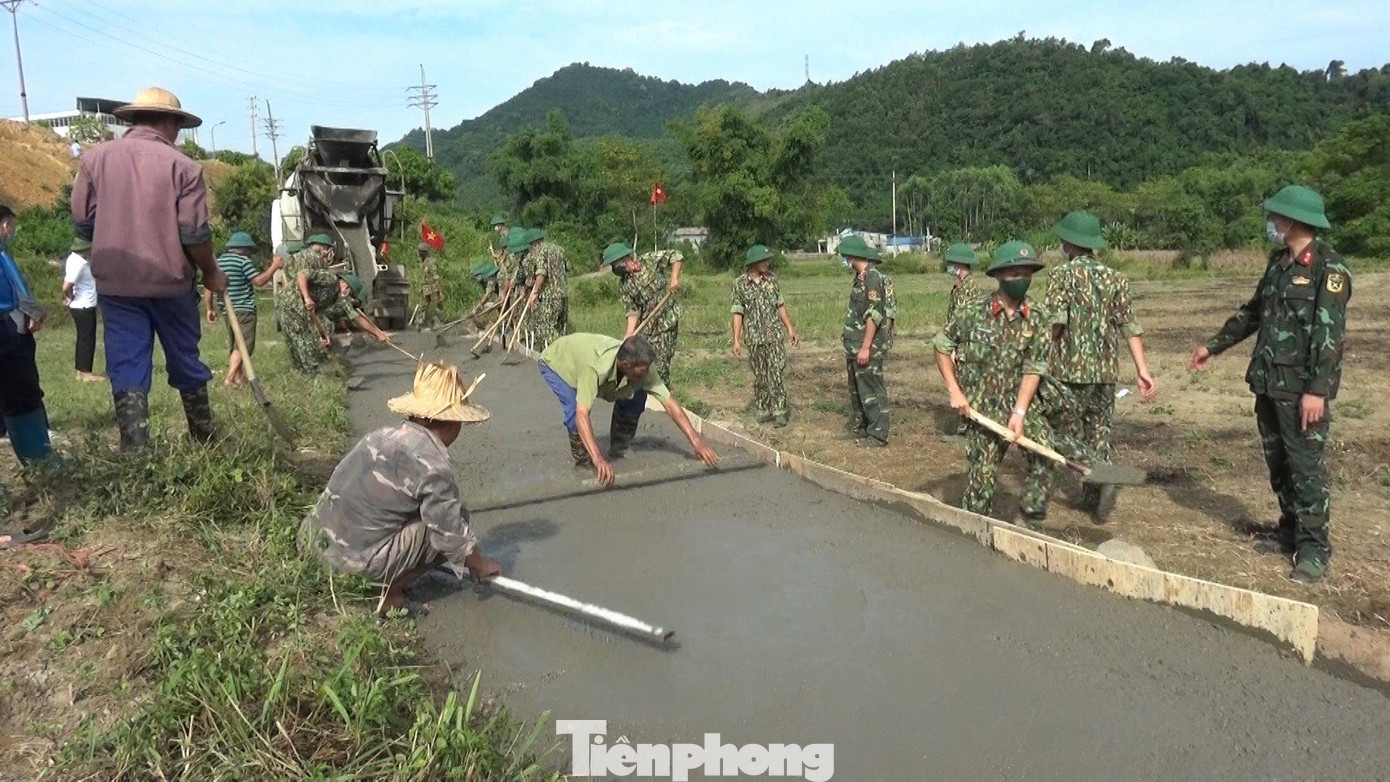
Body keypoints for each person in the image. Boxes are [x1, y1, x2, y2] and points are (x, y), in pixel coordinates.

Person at [1189, 185, 1351, 585]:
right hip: (1268, 384)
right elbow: (1253, 313)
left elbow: (1328, 339)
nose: (1271, 223)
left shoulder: (1328, 270)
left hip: (1301, 391)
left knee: (1305, 469)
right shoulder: (1278, 264)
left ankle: (1314, 549)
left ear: (1294, 220)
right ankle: (1289, 531)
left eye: (1276, 217)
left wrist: (1317, 391)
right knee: (1279, 465)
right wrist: (1214, 347)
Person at [70, 87, 227, 452]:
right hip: (171, 284)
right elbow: (194, 234)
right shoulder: (184, 166)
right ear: (171, 122)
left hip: (117, 287)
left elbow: (82, 222)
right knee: (185, 358)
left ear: (135, 119)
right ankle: (204, 440)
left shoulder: (95, 160)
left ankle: (135, 449)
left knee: (126, 363)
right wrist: (211, 272)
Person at [301, 362, 501, 615]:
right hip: (350, 566)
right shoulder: (433, 466)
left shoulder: (379, 436)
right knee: (455, 518)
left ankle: (377, 574)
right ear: (454, 423)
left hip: (313, 544)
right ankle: (388, 595)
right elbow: (450, 535)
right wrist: (479, 565)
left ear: (416, 414)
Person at [933, 240, 1055, 526]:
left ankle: (1028, 520)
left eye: (1026, 274)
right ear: (999, 275)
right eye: (1014, 274)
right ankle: (971, 534)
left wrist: (1020, 413)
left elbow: (1034, 368)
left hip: (1022, 407)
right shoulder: (974, 312)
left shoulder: (1038, 318)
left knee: (1046, 456)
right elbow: (941, 346)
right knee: (981, 484)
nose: (1020, 280)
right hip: (982, 411)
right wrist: (954, 390)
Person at [1044, 210, 1157, 514]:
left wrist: (1039, 359)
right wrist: (1142, 370)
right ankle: (1095, 499)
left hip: (1069, 371)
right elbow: (1129, 325)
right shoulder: (1116, 278)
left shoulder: (1060, 276)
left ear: (1068, 243)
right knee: (1098, 433)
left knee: (1059, 434)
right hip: (1106, 374)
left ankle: (1096, 474)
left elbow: (1055, 325)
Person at [538, 333, 719, 485]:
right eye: (642, 371)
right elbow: (582, 414)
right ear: (626, 365)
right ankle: (583, 460)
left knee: (639, 393)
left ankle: (620, 447)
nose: (647, 374)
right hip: (558, 364)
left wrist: (696, 441)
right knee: (573, 410)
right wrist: (598, 458)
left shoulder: (641, 365)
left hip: (590, 362)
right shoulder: (594, 368)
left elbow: (669, 403)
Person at [279, 236, 390, 373]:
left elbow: (355, 318)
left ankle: (305, 377)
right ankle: (308, 379)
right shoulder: (330, 279)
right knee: (303, 350)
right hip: (292, 306)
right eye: (349, 291)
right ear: (344, 284)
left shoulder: (335, 296)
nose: (347, 294)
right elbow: (302, 273)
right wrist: (307, 298)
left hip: (297, 310)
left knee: (305, 352)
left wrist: (324, 335)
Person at [0, 205, 52, 465]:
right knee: (21, 396)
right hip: (7, 332)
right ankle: (39, 461)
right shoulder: (2, 256)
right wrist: (36, 313)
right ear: (5, 226)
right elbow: (19, 293)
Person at [731, 244, 799, 427]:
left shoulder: (772, 281)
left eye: (768, 260)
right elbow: (738, 313)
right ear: (753, 263)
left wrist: (790, 328)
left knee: (775, 373)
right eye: (763, 260)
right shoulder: (739, 285)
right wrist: (736, 340)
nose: (767, 263)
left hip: (774, 336)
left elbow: (780, 306)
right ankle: (764, 409)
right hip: (754, 338)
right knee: (760, 376)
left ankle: (779, 411)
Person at [203, 231, 281, 387]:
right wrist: (274, 267)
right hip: (244, 309)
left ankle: (239, 377)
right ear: (245, 249)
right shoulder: (243, 262)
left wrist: (209, 309)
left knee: (235, 345)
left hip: (227, 310)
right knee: (244, 345)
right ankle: (230, 377)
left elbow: (208, 288)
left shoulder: (218, 263)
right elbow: (258, 281)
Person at [839, 235, 895, 447]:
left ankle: (878, 434)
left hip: (866, 347)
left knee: (872, 390)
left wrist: (865, 346)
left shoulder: (873, 278)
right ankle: (863, 427)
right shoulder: (860, 278)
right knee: (858, 390)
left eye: (844, 256)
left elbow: (874, 315)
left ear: (852, 256)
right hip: (854, 346)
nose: (843, 260)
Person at [601, 242, 683, 387]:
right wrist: (629, 334)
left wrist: (674, 279)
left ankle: (663, 396)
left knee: (660, 363)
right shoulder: (624, 284)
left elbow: (676, 256)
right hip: (648, 327)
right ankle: (648, 395)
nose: (614, 268)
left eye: (615, 264)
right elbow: (632, 310)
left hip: (666, 320)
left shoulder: (649, 261)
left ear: (624, 259)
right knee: (644, 362)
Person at [62, 237, 104, 382]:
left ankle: (81, 370)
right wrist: (70, 296)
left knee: (83, 338)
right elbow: (66, 286)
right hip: (83, 304)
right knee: (87, 338)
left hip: (83, 303)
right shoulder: (78, 262)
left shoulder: (76, 259)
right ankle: (86, 373)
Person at [519, 228, 569, 350]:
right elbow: (568, 267)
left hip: (550, 295)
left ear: (534, 243)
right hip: (563, 292)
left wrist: (534, 292)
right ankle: (565, 352)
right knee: (560, 327)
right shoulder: (558, 249)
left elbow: (541, 273)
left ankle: (561, 350)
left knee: (546, 329)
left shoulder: (540, 251)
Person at [942, 242, 986, 324]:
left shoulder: (968, 288)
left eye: (950, 262)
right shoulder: (960, 285)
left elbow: (962, 319)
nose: (948, 265)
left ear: (959, 263)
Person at [415, 241, 443, 330]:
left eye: (419, 251)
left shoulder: (430, 262)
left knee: (434, 307)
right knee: (423, 306)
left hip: (432, 289)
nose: (418, 253)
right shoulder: (423, 262)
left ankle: (435, 323)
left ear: (423, 252)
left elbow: (436, 278)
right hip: (425, 289)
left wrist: (440, 292)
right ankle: (420, 322)